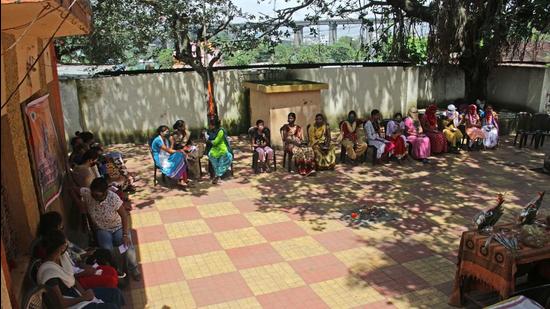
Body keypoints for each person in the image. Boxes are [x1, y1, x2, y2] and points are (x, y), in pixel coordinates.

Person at [37, 230, 125, 308]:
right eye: (64, 246)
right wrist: (83, 298)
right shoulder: (49, 273)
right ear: (59, 248)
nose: (66, 247)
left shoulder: (61, 258)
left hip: (78, 294)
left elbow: (72, 278)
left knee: (115, 294)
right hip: (73, 303)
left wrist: (84, 293)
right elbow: (61, 304)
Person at [33, 212, 122, 289]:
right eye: (61, 226)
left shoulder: (59, 241)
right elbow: (68, 276)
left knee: (110, 268)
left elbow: (72, 261)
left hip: (78, 267)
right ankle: (114, 285)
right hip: (77, 274)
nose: (62, 227)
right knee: (109, 278)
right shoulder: (53, 250)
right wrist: (84, 267)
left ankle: (117, 278)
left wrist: (84, 264)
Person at [79, 178, 140, 281]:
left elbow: (124, 216)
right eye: (93, 195)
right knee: (107, 250)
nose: (94, 198)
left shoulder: (113, 199)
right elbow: (71, 189)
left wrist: (125, 235)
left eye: (98, 196)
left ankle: (133, 268)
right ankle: (115, 271)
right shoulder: (87, 193)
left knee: (127, 247)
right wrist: (80, 205)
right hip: (102, 229)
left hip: (118, 228)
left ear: (105, 193)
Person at [205, 118, 233, 184]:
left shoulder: (221, 131)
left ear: (213, 125)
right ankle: (217, 175)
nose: (209, 126)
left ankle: (218, 176)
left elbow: (215, 142)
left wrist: (208, 140)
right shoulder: (211, 131)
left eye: (210, 125)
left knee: (223, 160)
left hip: (221, 149)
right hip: (215, 149)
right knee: (211, 156)